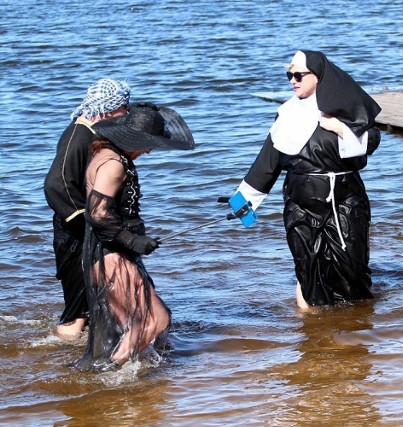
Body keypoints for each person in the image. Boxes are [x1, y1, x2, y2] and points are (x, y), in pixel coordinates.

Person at [232, 50, 382, 309]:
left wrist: (340, 128)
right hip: (300, 204)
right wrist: (242, 203)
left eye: (299, 74)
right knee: (308, 267)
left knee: (351, 272)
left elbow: (372, 141)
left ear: (318, 76)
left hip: (345, 201)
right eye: (289, 75)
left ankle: (357, 333)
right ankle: (313, 332)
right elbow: (268, 162)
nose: (293, 80)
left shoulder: (343, 110)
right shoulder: (286, 113)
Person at [71, 104, 195, 372]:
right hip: (110, 255)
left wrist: (134, 241)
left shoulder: (106, 153)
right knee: (155, 321)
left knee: (138, 325)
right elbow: (97, 214)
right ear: (131, 138)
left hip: (110, 252)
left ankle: (146, 377)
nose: (149, 150)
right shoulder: (113, 164)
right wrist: (132, 240)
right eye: (147, 144)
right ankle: (108, 373)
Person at [44, 79, 131, 340]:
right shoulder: (78, 135)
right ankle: (62, 358)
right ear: (106, 108)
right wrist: (86, 218)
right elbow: (55, 185)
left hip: (85, 225)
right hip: (73, 229)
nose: (126, 113)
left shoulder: (93, 131)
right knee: (77, 311)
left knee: (92, 302)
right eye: (123, 108)